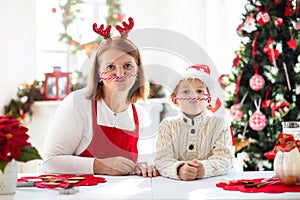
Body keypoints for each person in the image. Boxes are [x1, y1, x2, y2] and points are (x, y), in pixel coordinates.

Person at [42, 18, 158, 177]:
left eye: (128, 66)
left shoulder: (141, 115)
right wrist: (99, 165)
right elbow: (50, 161)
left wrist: (144, 166)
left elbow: (145, 161)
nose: (120, 74)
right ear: (98, 72)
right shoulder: (77, 103)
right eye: (111, 67)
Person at [155, 64, 233, 181]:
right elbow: (162, 160)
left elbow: (224, 158)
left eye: (200, 91)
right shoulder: (168, 125)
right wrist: (179, 169)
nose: (194, 96)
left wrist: (205, 168)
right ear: (175, 100)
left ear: (209, 99)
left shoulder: (219, 123)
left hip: (212, 187)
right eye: (186, 91)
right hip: (175, 188)